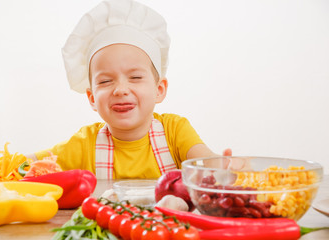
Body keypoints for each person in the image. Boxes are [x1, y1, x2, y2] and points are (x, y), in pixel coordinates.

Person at [31, 0, 230, 179]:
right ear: (91, 97)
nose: (120, 89)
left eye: (135, 77)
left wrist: (223, 167)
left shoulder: (175, 131)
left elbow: (206, 164)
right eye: (106, 81)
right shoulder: (83, 145)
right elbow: (23, 165)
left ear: (159, 89)